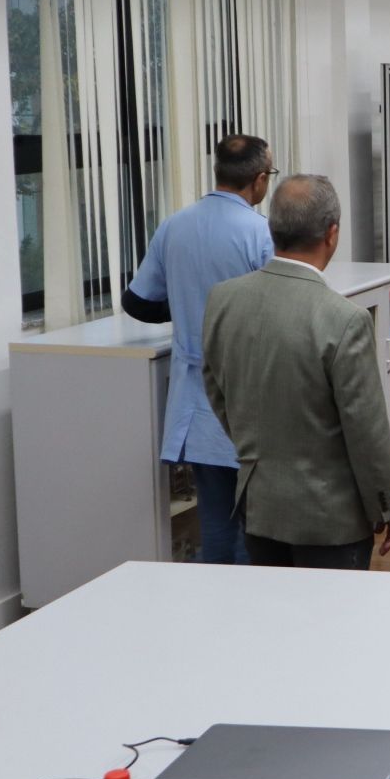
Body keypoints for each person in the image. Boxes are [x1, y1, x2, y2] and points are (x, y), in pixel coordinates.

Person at [202, 175, 390, 570]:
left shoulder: (223, 301)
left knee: (272, 625)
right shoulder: (344, 319)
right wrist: (386, 503)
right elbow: (366, 431)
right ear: (332, 234)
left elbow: (217, 390)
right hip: (331, 520)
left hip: (259, 509)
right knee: (331, 628)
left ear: (273, 227)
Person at [121, 135, 275, 565]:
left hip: (197, 402)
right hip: (249, 400)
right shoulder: (260, 233)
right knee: (256, 527)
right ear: (259, 180)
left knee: (216, 523)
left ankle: (214, 618)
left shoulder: (175, 225)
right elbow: (279, 310)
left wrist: (191, 310)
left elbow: (136, 301)